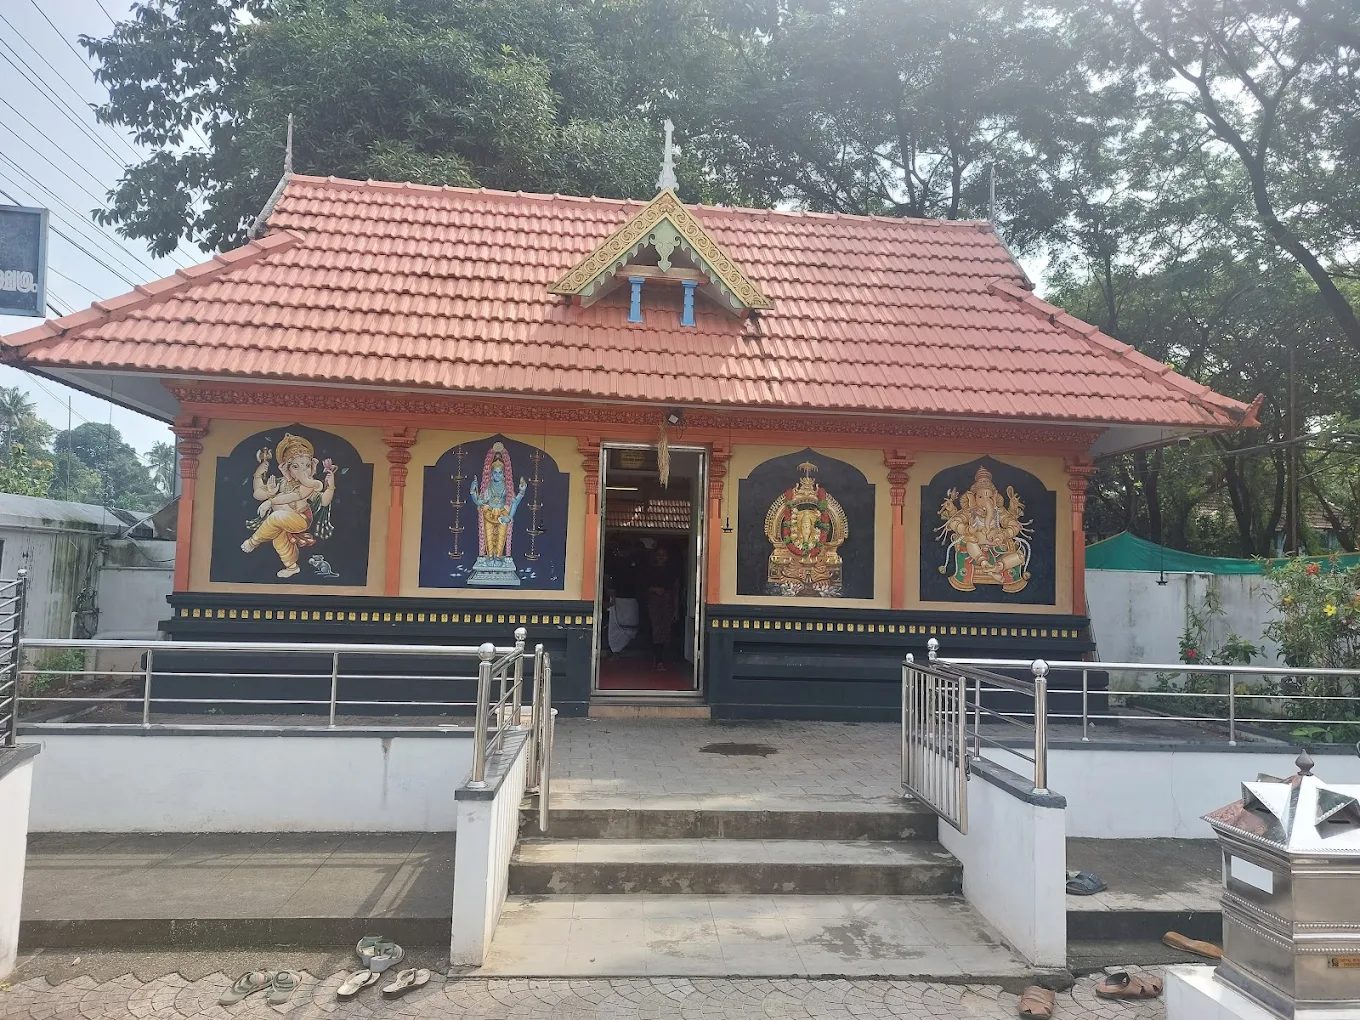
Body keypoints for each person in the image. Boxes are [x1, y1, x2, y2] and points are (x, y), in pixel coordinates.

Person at [241, 434, 337, 578]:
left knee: (276, 516)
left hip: (300, 518)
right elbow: (258, 494)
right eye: (296, 466)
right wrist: (259, 476)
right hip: (284, 522)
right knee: (280, 542)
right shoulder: (281, 482)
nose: (303, 471)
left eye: (307, 465)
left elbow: (320, 501)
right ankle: (292, 567)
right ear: (287, 467)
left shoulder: (308, 485)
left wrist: (330, 487)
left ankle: (253, 541)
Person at [643, 545, 678, 670]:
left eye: (663, 555)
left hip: (668, 601)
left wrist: (676, 608)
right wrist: (654, 589)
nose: (661, 557)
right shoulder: (649, 570)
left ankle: (661, 656)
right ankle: (658, 659)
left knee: (666, 629)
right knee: (656, 629)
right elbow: (642, 587)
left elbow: (675, 590)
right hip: (654, 601)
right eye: (659, 554)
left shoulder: (672, 571)